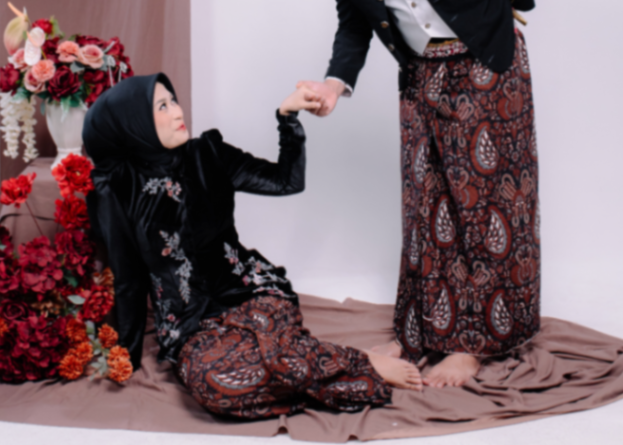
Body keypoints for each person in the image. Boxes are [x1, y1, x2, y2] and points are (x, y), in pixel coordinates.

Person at [288, 0, 540, 387]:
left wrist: (504, 14)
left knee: (485, 204)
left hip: (484, 65)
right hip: (420, 75)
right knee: (428, 205)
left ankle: (474, 344)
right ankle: (423, 332)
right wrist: (334, 83)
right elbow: (353, 22)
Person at [83, 72, 422, 419]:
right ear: (135, 124)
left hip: (251, 294)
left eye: (173, 100)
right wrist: (126, 353)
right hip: (192, 324)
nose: (178, 111)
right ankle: (336, 365)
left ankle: (360, 362)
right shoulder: (119, 191)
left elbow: (285, 182)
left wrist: (287, 118)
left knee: (275, 353)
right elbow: (128, 279)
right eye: (162, 106)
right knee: (215, 385)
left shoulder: (208, 154)